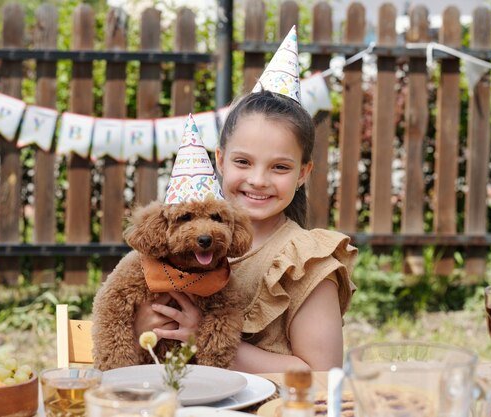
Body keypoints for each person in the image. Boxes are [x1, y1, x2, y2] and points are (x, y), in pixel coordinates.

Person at [133, 26, 357, 372]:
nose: (258, 180)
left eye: (280, 167)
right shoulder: (177, 244)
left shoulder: (303, 262)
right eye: (243, 162)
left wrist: (202, 336)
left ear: (302, 173)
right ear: (220, 160)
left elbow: (321, 375)